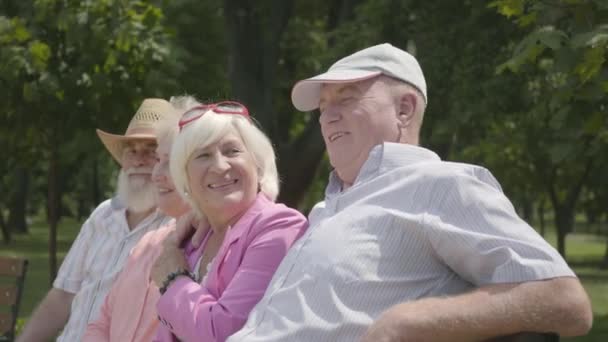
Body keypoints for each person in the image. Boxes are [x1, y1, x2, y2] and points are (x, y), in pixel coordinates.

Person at [227, 43, 593, 342]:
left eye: (345, 98)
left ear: (404, 108)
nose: (326, 117)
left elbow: (564, 300)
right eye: (323, 107)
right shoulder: (326, 208)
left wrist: (410, 320)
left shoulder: (441, 185)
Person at [149, 97, 308, 342]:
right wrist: (171, 246)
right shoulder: (193, 241)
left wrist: (173, 279)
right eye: (203, 156)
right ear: (186, 178)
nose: (220, 166)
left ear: (257, 164)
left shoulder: (280, 227)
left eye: (232, 151)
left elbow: (224, 333)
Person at [17, 99, 174, 342]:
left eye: (151, 151)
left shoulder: (177, 225)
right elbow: (62, 296)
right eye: (131, 150)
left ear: (170, 161)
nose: (138, 160)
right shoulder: (103, 214)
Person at [83, 96, 195, 341]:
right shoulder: (147, 243)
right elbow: (102, 321)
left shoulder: (219, 241)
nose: (153, 169)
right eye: (131, 151)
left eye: (154, 153)